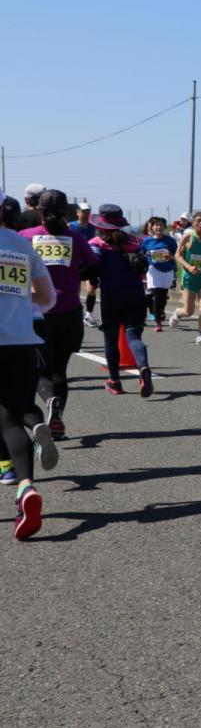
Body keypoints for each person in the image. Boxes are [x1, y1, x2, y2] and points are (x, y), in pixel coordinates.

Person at [20, 189, 100, 438]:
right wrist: (76, 272)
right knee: (60, 370)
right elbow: (94, 264)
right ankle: (58, 420)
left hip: (36, 313)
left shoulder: (25, 237)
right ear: (67, 213)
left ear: (39, 212)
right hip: (69, 312)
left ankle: (49, 400)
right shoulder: (75, 237)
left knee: (39, 371)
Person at [0, 194, 57, 538]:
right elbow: (48, 297)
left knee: (5, 422)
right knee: (12, 417)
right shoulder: (21, 246)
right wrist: (21, 299)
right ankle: (25, 487)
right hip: (21, 342)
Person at [89, 205, 154, 398]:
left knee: (110, 338)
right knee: (133, 336)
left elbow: (92, 264)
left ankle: (115, 381)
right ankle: (143, 368)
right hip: (136, 293)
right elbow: (144, 267)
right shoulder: (135, 242)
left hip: (111, 295)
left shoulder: (97, 243)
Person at [169, 209, 201, 344]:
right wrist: (189, 267)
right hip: (189, 278)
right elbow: (177, 255)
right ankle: (178, 313)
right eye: (199, 221)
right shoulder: (188, 236)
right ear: (193, 223)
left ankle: (200, 335)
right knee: (189, 311)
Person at [140, 217, 177, 332]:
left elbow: (178, 256)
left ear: (164, 227)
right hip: (153, 270)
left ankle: (160, 310)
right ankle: (158, 323)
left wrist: (170, 257)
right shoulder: (146, 241)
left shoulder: (170, 241)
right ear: (152, 227)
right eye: (156, 225)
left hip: (167, 270)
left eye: (161, 225)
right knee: (156, 295)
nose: (159, 227)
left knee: (163, 295)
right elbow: (141, 255)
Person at [69, 201, 100, 327]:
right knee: (75, 289)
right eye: (83, 212)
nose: (86, 214)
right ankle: (75, 312)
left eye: (88, 212)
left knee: (92, 288)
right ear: (77, 213)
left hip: (89, 261)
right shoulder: (70, 226)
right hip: (75, 262)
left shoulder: (93, 227)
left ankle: (89, 314)